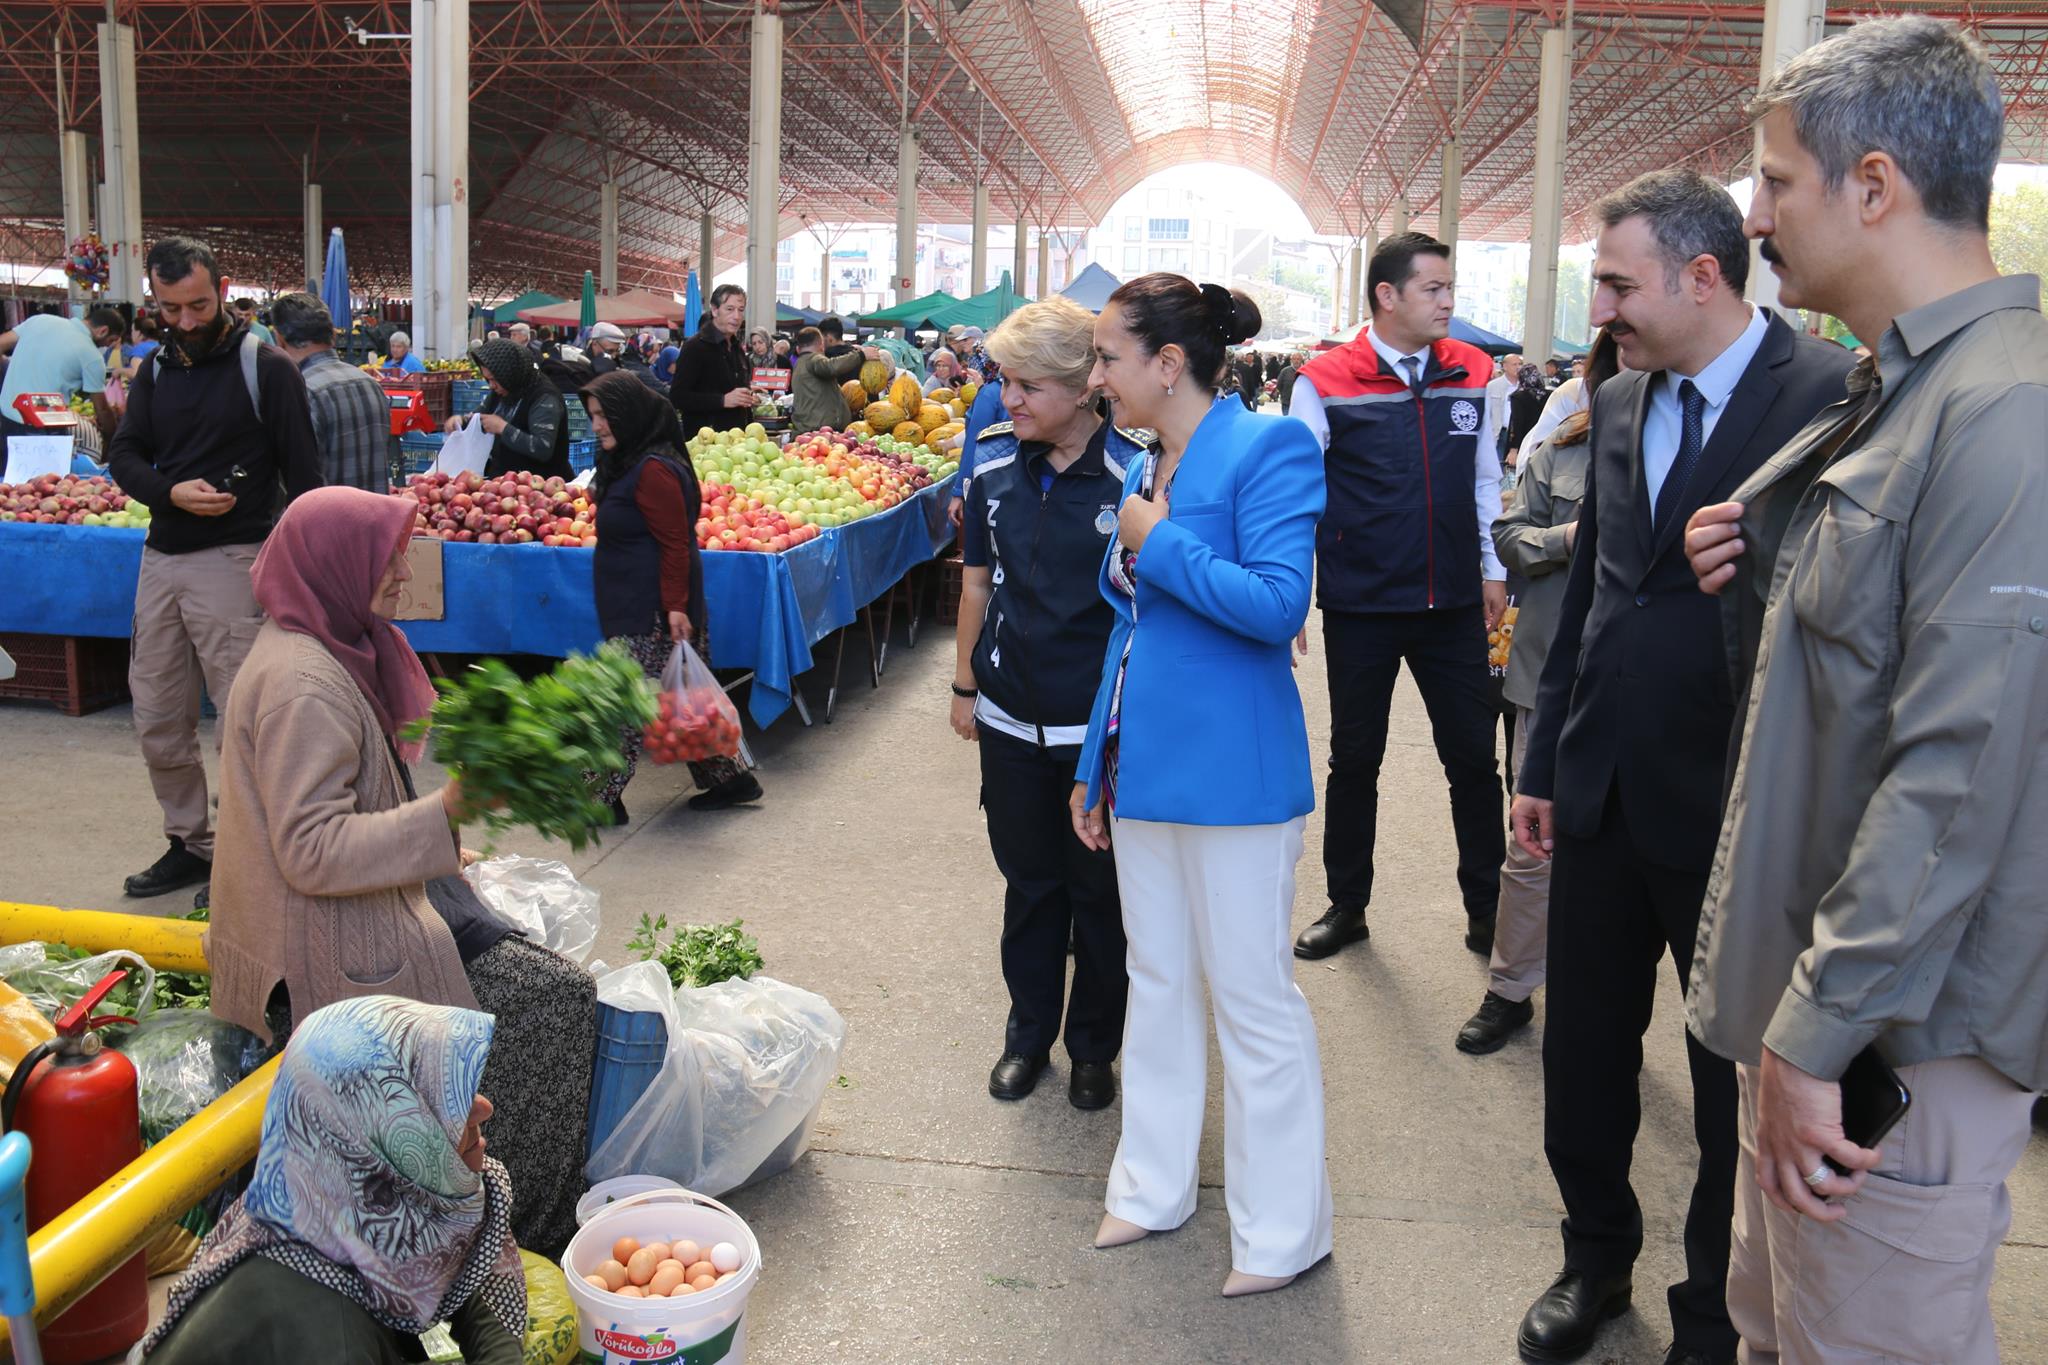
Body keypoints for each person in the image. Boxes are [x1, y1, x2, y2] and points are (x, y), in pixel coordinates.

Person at [1679, 20, 2048, 1364]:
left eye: (1777, 183)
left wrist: (1819, 1035)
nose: (1756, 215)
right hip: (1834, 1012)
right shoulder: (1908, 391)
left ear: (1875, 186)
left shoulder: (2004, 410)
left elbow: (1960, 770)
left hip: (1894, 1043)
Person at [1506, 171, 1854, 1365]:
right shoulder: (1614, 406)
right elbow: (1597, 597)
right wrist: (1542, 760)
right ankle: (1593, 1257)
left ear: (1699, 275)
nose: (1596, 307)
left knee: (1724, 1088)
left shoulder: (1831, 398)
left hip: (1739, 809)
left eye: (1612, 282)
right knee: (1584, 1057)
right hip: (1599, 790)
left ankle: (1710, 1312)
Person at [207, 485, 597, 1250]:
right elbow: (311, 849)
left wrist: (439, 842)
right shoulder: (305, 683)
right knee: (557, 1002)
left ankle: (495, 1201)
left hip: (339, 911)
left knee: (523, 959)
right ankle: (517, 1233)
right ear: (335, 566)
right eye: (384, 556)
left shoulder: (323, 643)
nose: (398, 572)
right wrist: (444, 812)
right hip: (320, 948)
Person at [1073, 274, 1330, 1299]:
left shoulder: (1266, 447)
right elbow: (1130, 633)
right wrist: (1096, 760)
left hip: (1235, 775)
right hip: (1146, 768)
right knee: (1160, 982)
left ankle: (1281, 1232)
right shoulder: (1146, 460)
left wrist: (1154, 540)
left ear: (1165, 364)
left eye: (1105, 358)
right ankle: (1149, 1185)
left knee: (1253, 1001)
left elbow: (1275, 607)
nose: (1096, 379)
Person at [1288, 232, 1508, 962]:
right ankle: (1347, 903)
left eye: (1450, 289)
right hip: (1361, 602)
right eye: (1434, 289)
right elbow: (1293, 495)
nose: (1449, 302)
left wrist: (1492, 567)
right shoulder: (1323, 381)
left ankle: (1489, 910)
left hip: (1451, 605)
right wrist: (1289, 594)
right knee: (1355, 757)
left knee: (1474, 761)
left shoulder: (1476, 371)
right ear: (1388, 296)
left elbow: (1484, 480)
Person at [950, 297, 1132, 1111]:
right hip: (1007, 723)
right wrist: (964, 683)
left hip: (1095, 731)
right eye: (1002, 381)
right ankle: (1028, 1034)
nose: (1007, 399)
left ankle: (1094, 1046)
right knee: (1029, 886)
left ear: (1080, 386)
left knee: (1099, 894)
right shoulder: (992, 467)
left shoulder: (1137, 473)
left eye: (1024, 385)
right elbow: (977, 583)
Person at [106, 236, 324, 901]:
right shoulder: (157, 370)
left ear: (223, 290)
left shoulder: (268, 368)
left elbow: (307, 479)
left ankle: (247, 854)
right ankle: (190, 843)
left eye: (198, 305)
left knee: (244, 721)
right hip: (160, 561)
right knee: (157, 714)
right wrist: (169, 492)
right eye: (172, 309)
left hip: (236, 561)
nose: (187, 321)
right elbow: (124, 455)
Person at [136, 996, 526, 1365]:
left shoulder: (309, 1204)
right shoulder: (333, 1338)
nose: (483, 1107)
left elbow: (449, 1268)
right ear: (379, 1141)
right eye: (444, 1100)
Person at [1454, 329, 1618, 1057]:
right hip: (1552, 678)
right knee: (1533, 844)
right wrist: (1570, 538)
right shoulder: (1561, 452)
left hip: (1648, 690)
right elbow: (1511, 534)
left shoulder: (1705, 462)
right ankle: (1511, 988)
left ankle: (1602, 999)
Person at [584, 371, 764, 816]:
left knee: (622, 699)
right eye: (592, 417)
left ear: (628, 415)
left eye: (604, 416)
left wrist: (675, 608)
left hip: (650, 607)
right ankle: (731, 781)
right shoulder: (629, 462)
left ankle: (597, 798)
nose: (597, 426)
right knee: (683, 700)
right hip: (638, 600)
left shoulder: (654, 471)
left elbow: (675, 544)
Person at [270, 293, 391, 493]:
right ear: (333, 335)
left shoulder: (303, 392)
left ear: (279, 339)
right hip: (375, 520)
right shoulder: (371, 384)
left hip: (326, 522)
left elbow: (296, 481)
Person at [447, 339, 572, 481]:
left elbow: (542, 448)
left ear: (509, 374)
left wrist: (503, 428)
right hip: (504, 483)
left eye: (494, 379)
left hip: (542, 486)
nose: (491, 386)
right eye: (488, 380)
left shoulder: (545, 397)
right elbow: (480, 416)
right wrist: (461, 421)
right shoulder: (504, 389)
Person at [0, 309, 110, 444]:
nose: (109, 345)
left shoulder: (40, 320)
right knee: (47, 465)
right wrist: (113, 438)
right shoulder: (93, 357)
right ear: (103, 331)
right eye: (111, 340)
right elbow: (102, 409)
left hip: (8, 416)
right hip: (47, 425)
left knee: (10, 463)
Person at [669, 283, 754, 436]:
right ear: (715, 310)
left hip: (739, 443)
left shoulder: (737, 349)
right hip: (705, 444)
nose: (736, 316)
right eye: (729, 309)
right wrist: (722, 400)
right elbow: (678, 397)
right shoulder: (695, 347)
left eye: (740, 310)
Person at [788, 327, 879, 433]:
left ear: (799, 348)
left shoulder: (799, 363)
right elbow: (831, 366)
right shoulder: (813, 360)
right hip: (819, 431)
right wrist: (861, 355)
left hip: (810, 429)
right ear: (821, 345)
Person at [1505, 362, 1549, 467]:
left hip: (1524, 442)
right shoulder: (1549, 395)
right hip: (1544, 441)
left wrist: (1513, 449)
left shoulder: (1518, 396)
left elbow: (1517, 422)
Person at [1487, 350, 1521, 460]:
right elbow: (1486, 411)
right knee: (1498, 463)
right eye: (1514, 364)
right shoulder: (1493, 386)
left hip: (1517, 433)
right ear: (1505, 366)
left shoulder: (1523, 387)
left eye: (1520, 364)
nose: (1518, 367)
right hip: (1500, 432)